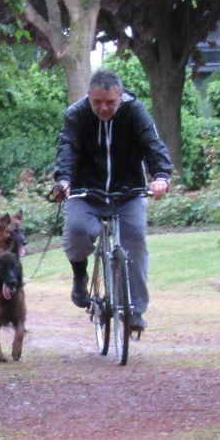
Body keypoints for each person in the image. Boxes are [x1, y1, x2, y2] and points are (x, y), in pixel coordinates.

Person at [52, 70, 172, 332]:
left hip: (128, 192)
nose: (104, 108)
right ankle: (80, 274)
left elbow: (152, 144)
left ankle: (135, 311)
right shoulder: (77, 114)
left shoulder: (134, 111)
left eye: (110, 103)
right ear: (89, 97)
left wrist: (161, 175)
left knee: (135, 241)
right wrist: (63, 180)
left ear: (121, 97)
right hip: (86, 191)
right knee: (78, 230)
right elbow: (67, 149)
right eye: (97, 103)